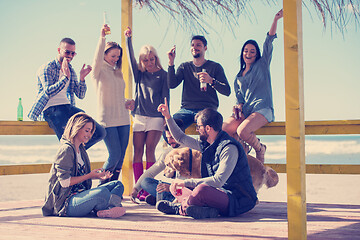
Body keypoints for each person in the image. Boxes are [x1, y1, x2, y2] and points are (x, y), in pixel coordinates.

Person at [156, 99, 257, 219]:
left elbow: (218, 181)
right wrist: (168, 116)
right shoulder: (206, 144)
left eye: (199, 127)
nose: (197, 130)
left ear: (208, 128)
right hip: (217, 193)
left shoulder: (229, 148)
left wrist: (186, 182)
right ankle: (206, 210)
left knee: (201, 189)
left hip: (236, 199)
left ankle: (180, 209)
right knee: (175, 187)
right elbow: (180, 137)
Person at [222, 9, 283, 163]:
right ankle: (242, 149)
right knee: (223, 129)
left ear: (257, 54)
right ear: (242, 53)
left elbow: (268, 41)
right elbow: (240, 99)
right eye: (246, 50)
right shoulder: (238, 77)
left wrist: (275, 20)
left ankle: (259, 149)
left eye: (252, 51)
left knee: (242, 130)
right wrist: (237, 107)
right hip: (247, 112)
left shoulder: (262, 65)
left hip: (263, 109)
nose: (248, 53)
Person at [42, 112, 126, 218]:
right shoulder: (66, 149)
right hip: (66, 203)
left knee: (117, 184)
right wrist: (90, 175)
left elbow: (80, 178)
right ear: (76, 128)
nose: (89, 135)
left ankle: (108, 209)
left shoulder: (81, 149)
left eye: (91, 131)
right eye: (87, 130)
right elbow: (64, 182)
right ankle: (111, 207)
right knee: (102, 192)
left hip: (80, 195)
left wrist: (96, 176)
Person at [28, 37, 106, 149]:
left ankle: (75, 152)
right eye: (67, 52)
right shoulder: (47, 68)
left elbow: (81, 94)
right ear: (59, 50)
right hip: (51, 110)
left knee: (100, 132)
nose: (70, 55)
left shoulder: (71, 70)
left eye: (73, 53)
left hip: (68, 107)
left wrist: (82, 78)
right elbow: (48, 91)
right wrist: (65, 78)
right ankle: (71, 154)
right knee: (67, 143)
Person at [125, 27, 170, 200]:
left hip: (156, 118)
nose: (149, 62)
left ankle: (147, 188)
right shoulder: (139, 75)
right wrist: (128, 39)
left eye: (152, 59)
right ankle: (139, 188)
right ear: (142, 61)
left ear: (156, 58)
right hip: (139, 117)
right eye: (146, 60)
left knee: (150, 150)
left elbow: (166, 97)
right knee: (138, 151)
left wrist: (167, 117)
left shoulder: (163, 75)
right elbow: (130, 59)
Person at [91, 24, 132, 184]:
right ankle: (101, 187)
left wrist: (128, 101)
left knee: (121, 158)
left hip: (123, 119)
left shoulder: (118, 72)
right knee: (114, 155)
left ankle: (112, 188)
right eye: (112, 56)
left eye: (117, 56)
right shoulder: (98, 71)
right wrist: (102, 37)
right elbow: (96, 57)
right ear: (105, 54)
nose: (115, 59)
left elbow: (118, 96)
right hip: (107, 120)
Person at [167, 35, 231, 131]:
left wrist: (211, 81)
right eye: (192, 45)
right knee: (170, 127)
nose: (195, 47)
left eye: (198, 45)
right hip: (186, 110)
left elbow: (227, 91)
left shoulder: (215, 67)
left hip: (208, 109)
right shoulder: (185, 67)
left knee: (207, 131)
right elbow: (172, 85)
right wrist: (171, 63)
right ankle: (184, 146)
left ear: (205, 48)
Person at [130, 119, 184, 206]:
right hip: (174, 188)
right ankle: (165, 197)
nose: (169, 141)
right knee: (145, 182)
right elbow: (151, 172)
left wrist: (171, 188)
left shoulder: (191, 148)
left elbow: (194, 180)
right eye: (167, 138)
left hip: (187, 187)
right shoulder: (168, 152)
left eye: (172, 138)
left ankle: (168, 199)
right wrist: (136, 189)